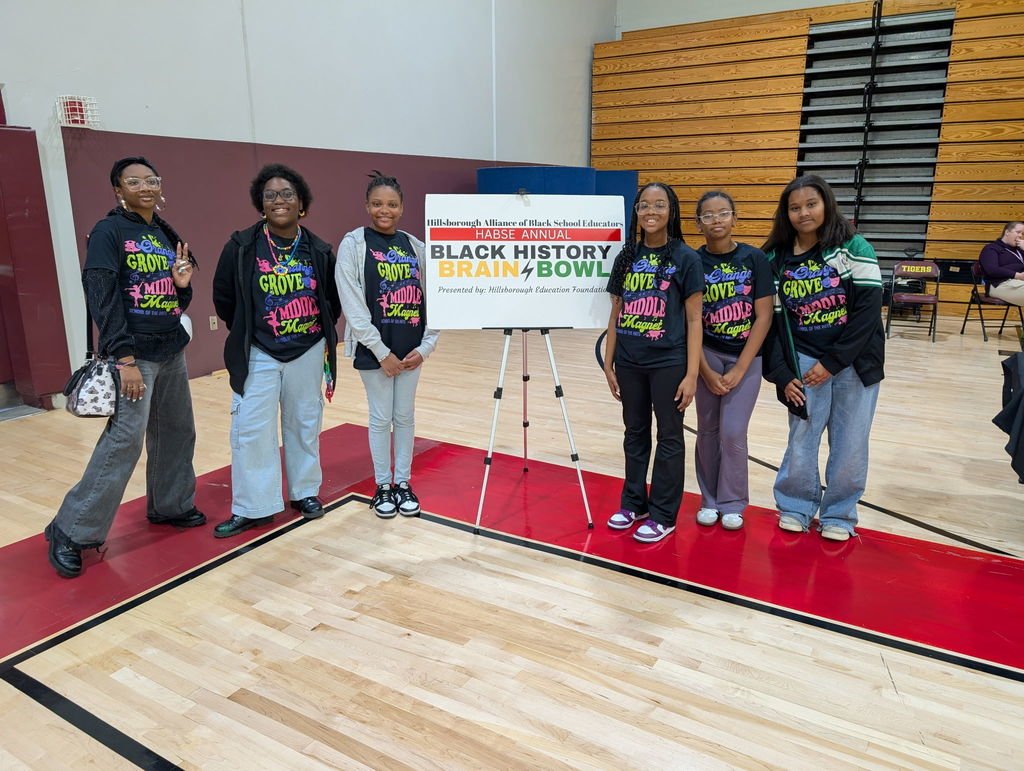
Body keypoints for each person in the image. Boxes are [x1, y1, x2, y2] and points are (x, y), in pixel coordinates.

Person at [44, 156, 203, 578]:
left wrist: (182, 286)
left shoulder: (163, 232)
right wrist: (124, 357)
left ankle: (170, 505)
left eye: (151, 180)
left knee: (177, 431)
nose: (145, 187)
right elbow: (101, 294)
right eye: (134, 182)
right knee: (124, 442)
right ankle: (71, 530)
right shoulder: (109, 231)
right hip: (133, 355)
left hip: (170, 348)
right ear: (118, 190)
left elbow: (171, 298)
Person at [212, 164, 341, 538]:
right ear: (261, 203)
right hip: (259, 351)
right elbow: (224, 297)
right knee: (252, 429)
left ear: (302, 203)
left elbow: (331, 302)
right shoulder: (241, 246)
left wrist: (310, 333)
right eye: (270, 195)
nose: (278, 200)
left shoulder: (319, 250)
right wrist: (250, 332)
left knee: (304, 424)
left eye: (287, 194)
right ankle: (255, 507)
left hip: (307, 349)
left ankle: (304, 492)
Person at [762, 174, 885, 542]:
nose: (804, 213)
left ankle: (839, 515)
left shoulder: (854, 247)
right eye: (795, 207)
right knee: (802, 436)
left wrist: (832, 363)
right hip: (802, 361)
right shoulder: (774, 258)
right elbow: (769, 325)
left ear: (826, 205)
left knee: (850, 441)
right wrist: (782, 372)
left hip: (853, 363)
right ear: (785, 213)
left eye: (811, 204)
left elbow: (867, 314)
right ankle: (795, 506)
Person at [603, 182, 704, 543]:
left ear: (671, 211)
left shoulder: (686, 258)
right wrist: (608, 363)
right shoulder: (626, 256)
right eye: (644, 205)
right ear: (636, 211)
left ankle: (663, 514)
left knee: (670, 436)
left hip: (668, 362)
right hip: (629, 361)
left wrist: (692, 374)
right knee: (634, 432)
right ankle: (634, 503)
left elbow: (694, 319)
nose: (651, 211)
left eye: (659, 205)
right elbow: (616, 312)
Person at [336, 171, 438, 518]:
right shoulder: (354, 244)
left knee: (405, 416)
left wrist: (425, 348)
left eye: (392, 204)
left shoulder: (416, 247)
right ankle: (383, 486)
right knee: (381, 417)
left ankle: (403, 482)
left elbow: (437, 301)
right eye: (377, 203)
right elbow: (352, 305)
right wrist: (382, 353)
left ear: (402, 207)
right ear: (367, 206)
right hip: (375, 350)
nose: (385, 210)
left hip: (410, 350)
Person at [693, 191, 774, 531]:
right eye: (708, 215)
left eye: (723, 213)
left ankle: (732, 502)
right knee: (707, 430)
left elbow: (764, 315)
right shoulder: (693, 261)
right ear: (699, 223)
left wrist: (741, 366)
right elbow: (690, 320)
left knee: (733, 431)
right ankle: (709, 499)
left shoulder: (754, 259)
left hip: (746, 357)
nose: (716, 220)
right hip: (706, 354)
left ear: (735, 218)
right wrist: (704, 370)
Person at [979, 221, 1024, 306]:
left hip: (1019, 283)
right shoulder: (991, 248)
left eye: (1022, 234)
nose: (1020, 236)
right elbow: (992, 270)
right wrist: (1017, 275)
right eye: (1018, 232)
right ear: (1007, 232)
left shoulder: (1020, 250)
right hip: (999, 285)